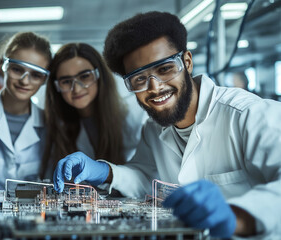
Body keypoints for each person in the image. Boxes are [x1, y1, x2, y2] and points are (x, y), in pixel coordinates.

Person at [53, 11, 281, 238]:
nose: (154, 87)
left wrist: (237, 216)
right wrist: (105, 172)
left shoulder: (249, 114)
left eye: (164, 69)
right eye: (139, 79)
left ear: (187, 62)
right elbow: (145, 178)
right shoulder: (152, 130)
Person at [41, 43, 147, 178]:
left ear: (99, 76)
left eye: (84, 76)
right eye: (66, 81)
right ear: (56, 87)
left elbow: (145, 173)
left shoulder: (134, 115)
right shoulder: (61, 127)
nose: (77, 89)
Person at [0, 32, 52, 189]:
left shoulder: (49, 124)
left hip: (33, 213)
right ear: (3, 65)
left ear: (44, 80)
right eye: (17, 69)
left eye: (36, 75)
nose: (25, 81)